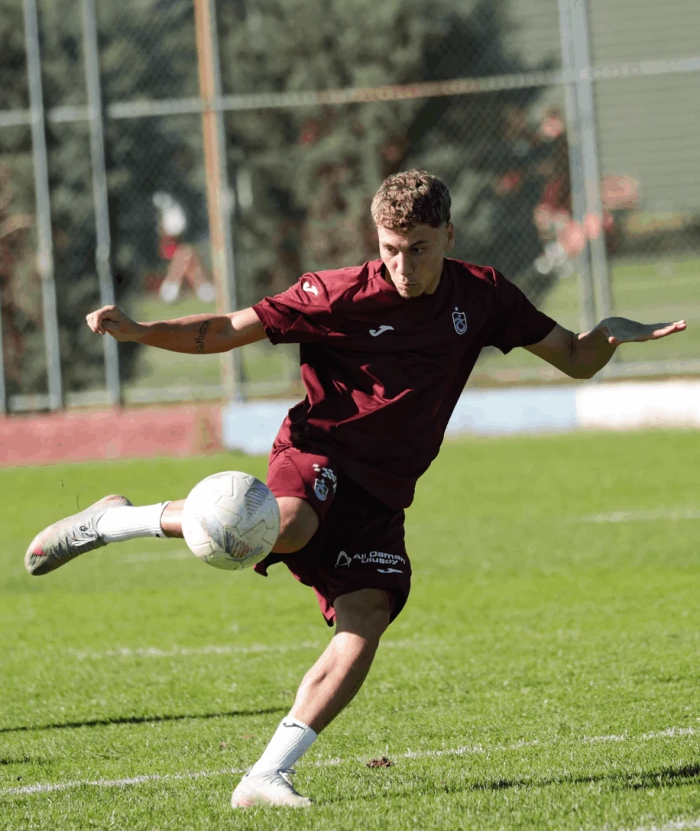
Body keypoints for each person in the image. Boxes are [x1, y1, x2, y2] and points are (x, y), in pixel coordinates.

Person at [24, 170, 686, 809]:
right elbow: (226, 329)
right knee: (285, 526)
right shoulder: (335, 294)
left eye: (419, 250)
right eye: (391, 250)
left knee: (365, 617)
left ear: (449, 237)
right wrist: (142, 331)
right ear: (377, 240)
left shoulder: (483, 295)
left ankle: (264, 777)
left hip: (385, 494)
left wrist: (609, 334)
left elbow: (574, 358)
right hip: (319, 453)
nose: (403, 265)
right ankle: (113, 522)